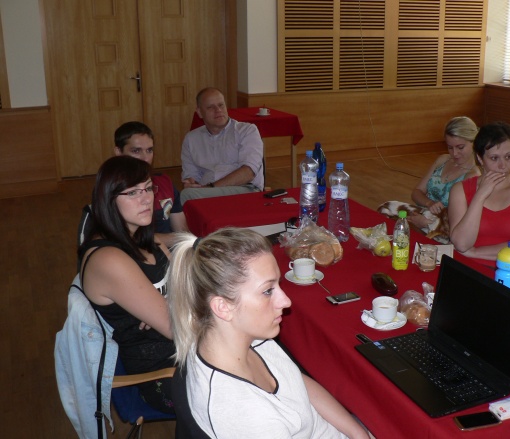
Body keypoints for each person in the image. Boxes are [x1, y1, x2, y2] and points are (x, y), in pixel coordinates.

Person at [166, 228, 370, 439]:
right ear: (223, 307)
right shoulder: (247, 416)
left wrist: (358, 433)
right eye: (267, 291)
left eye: (277, 285)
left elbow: (296, 382)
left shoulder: (238, 335)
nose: (286, 301)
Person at [78, 155, 176, 413]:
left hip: (186, 352)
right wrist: (169, 307)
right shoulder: (109, 260)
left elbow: (182, 293)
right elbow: (176, 327)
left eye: (148, 188)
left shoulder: (145, 239)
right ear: (109, 200)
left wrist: (168, 304)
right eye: (132, 192)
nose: (146, 199)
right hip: (161, 373)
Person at [78, 121, 188, 249]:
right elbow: (124, 239)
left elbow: (182, 230)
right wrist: (178, 239)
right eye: (136, 151)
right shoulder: (112, 191)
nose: (145, 158)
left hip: (169, 253)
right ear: (118, 152)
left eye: (149, 150)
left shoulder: (164, 182)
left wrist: (187, 242)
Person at [448, 121, 510, 269]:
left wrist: (476, 253)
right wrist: (480, 196)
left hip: (509, 271)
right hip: (467, 268)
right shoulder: (460, 190)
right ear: (480, 158)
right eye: (494, 158)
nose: (503, 166)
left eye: (508, 157)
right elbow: (461, 244)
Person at [378, 116, 480, 243]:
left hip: (444, 227)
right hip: (423, 213)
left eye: (460, 147)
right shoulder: (443, 160)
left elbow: (463, 220)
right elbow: (417, 192)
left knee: (406, 227)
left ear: (474, 143)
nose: (454, 153)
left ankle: (418, 236)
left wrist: (427, 223)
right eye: (450, 147)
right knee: (386, 207)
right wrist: (429, 203)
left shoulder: (473, 175)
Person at [180, 87, 264, 204]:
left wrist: (211, 187)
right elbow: (191, 175)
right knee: (181, 193)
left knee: (187, 196)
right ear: (199, 112)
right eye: (211, 107)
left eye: (221, 105)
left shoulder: (246, 131)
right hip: (206, 192)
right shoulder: (191, 139)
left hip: (244, 189)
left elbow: (248, 172)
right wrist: (191, 182)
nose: (218, 110)